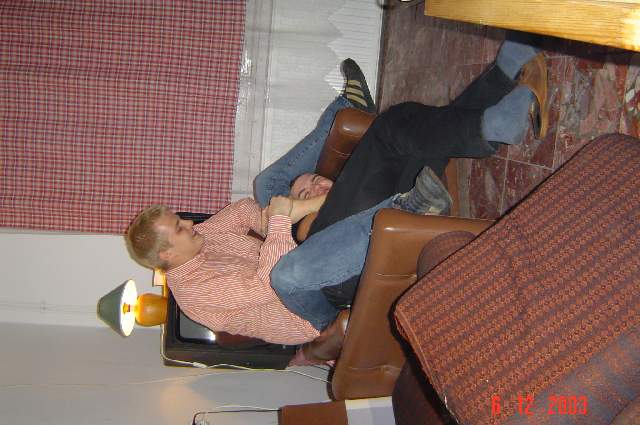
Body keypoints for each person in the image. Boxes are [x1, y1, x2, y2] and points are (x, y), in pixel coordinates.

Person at [259, 37, 549, 333]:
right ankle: (497, 93)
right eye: (304, 194)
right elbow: (304, 243)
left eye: (315, 179)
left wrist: (296, 203)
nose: (315, 187)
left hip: (387, 204)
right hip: (341, 282)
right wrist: (287, 214)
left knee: (396, 131)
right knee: (284, 276)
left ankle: (496, 104)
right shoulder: (308, 231)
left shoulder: (350, 183)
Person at [123, 60, 378, 345]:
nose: (189, 222)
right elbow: (269, 283)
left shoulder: (200, 237)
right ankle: (344, 199)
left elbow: (243, 211)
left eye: (179, 219)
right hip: (303, 307)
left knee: (266, 184)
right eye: (179, 227)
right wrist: (280, 220)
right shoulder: (195, 293)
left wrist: (277, 221)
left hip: (286, 255)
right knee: (287, 266)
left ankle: (351, 106)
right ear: (168, 254)